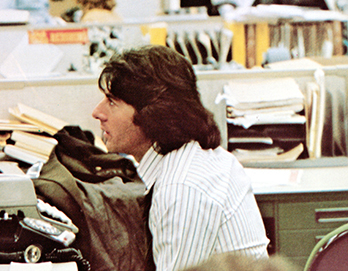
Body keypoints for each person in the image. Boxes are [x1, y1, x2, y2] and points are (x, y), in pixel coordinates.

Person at [91, 45, 269, 271]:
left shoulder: (181, 187)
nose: (97, 112)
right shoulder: (188, 159)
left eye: (112, 102)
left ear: (152, 113)